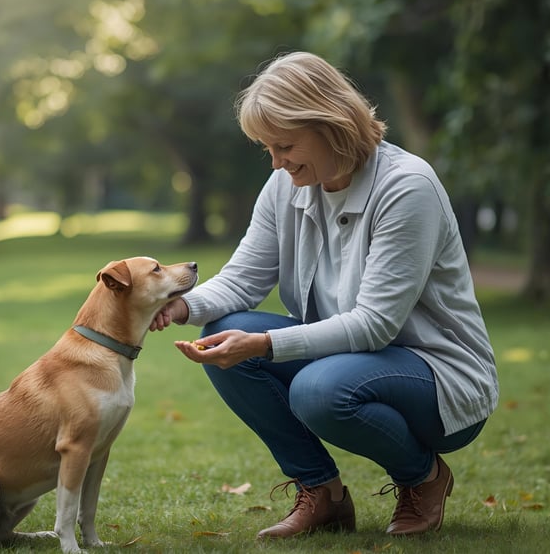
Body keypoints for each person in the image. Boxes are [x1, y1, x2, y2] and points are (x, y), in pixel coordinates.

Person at [150, 51, 499, 539]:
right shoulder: (284, 185)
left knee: (319, 390)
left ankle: (424, 477)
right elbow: (244, 278)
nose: (275, 161)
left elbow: (375, 324)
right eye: (267, 148)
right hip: (344, 359)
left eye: (285, 145)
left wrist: (267, 345)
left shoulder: (406, 186)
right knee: (223, 335)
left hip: (438, 376)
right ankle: (324, 495)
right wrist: (180, 306)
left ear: (329, 124)